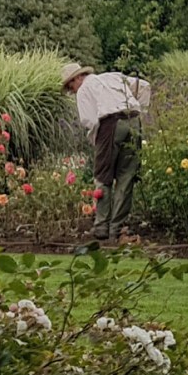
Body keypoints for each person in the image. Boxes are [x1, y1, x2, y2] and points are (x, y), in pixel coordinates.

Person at [62, 63, 151, 241]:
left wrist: (97, 139)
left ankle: (101, 226)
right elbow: (144, 86)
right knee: (127, 176)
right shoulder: (113, 76)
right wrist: (139, 110)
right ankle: (116, 228)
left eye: (70, 86)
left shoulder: (84, 89)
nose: (72, 90)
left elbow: (89, 120)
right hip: (134, 122)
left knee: (103, 175)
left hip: (110, 124)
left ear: (77, 78)